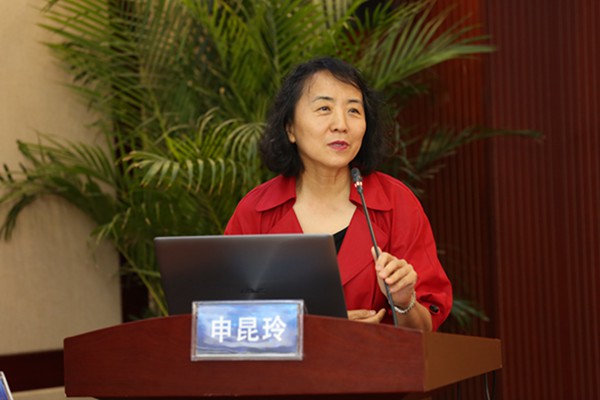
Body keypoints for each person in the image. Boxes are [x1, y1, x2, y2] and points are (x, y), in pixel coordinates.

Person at [225, 57, 452, 331]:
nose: (341, 124)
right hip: (288, 362)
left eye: (354, 110)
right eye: (324, 108)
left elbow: (424, 329)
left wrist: (404, 302)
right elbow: (226, 323)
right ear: (290, 128)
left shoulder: (396, 203)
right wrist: (318, 328)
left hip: (375, 360)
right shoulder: (256, 210)